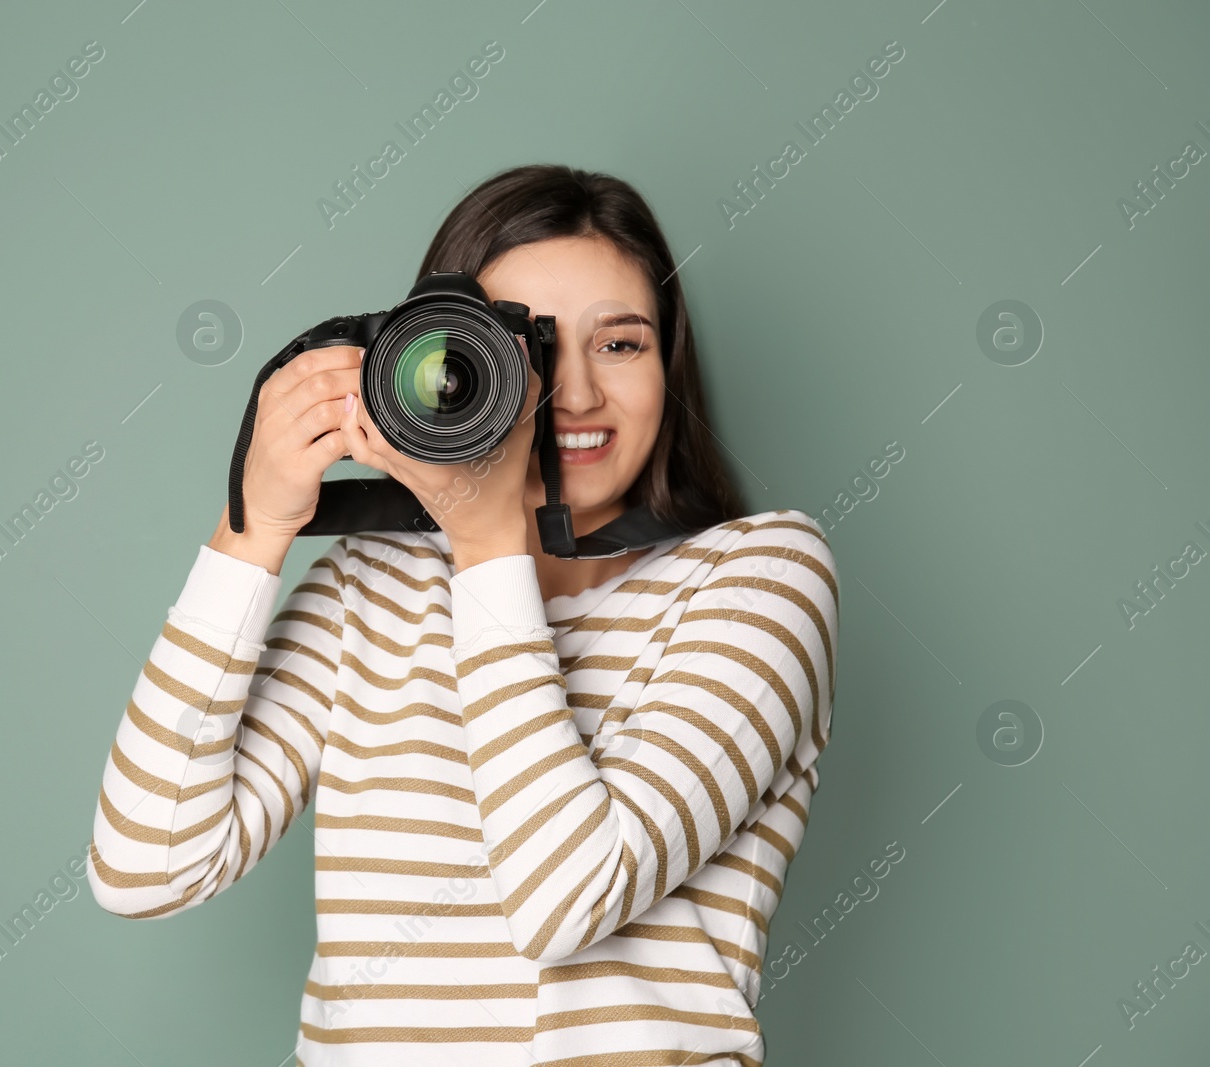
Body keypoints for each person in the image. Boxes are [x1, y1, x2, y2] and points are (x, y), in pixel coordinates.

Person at [85, 163, 840, 1066]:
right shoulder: (372, 582)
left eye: (622, 344)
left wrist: (488, 544)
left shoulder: (760, 576)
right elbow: (145, 868)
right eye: (529, 348)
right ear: (441, 364)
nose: (575, 394)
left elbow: (565, 899)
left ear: (668, 363)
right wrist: (250, 528)